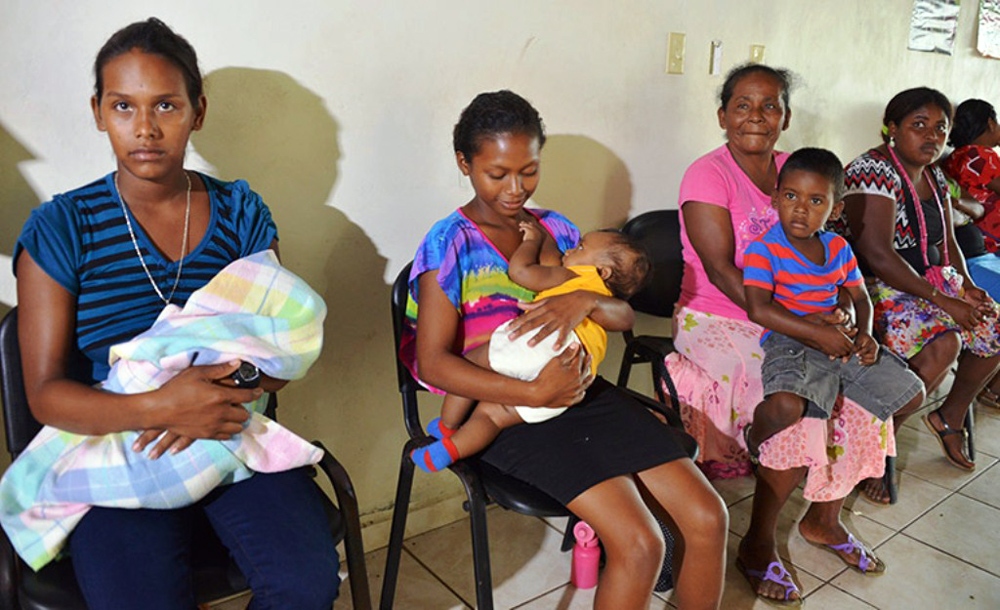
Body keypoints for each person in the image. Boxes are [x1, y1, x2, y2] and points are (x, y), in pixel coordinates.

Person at [11, 18, 339, 609]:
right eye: (123, 106)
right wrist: (161, 404)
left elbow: (278, 342)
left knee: (306, 584)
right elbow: (45, 396)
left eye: (166, 104)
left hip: (229, 429)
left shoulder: (240, 213)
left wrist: (213, 395)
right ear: (98, 111)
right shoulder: (62, 228)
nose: (145, 127)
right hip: (116, 437)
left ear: (198, 111)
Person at [400, 90, 727, 610]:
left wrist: (585, 298)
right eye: (497, 174)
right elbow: (434, 363)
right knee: (640, 544)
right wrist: (533, 391)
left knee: (709, 517)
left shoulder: (557, 230)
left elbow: (622, 316)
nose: (515, 189)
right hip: (504, 407)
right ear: (464, 164)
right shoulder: (449, 245)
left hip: (582, 391)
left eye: (528, 171)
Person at [663, 64, 900, 605]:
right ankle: (758, 542)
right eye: (742, 105)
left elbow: (828, 261)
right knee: (796, 401)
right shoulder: (708, 175)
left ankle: (823, 519)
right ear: (722, 115)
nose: (756, 116)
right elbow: (723, 272)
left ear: (786, 117)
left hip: (798, 320)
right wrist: (808, 330)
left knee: (864, 390)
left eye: (769, 105)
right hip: (718, 317)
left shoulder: (798, 173)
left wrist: (840, 316)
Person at [738, 148, 926, 598]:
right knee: (791, 409)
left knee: (908, 393)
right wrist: (816, 333)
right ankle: (754, 440)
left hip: (837, 339)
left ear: (836, 209)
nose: (800, 209)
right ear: (775, 199)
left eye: (815, 200)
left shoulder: (838, 248)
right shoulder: (764, 249)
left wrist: (865, 334)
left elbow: (859, 296)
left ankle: (823, 519)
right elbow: (758, 309)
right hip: (791, 339)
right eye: (790, 196)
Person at [841, 87, 1000, 482]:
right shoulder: (872, 169)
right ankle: (881, 445)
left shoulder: (934, 174)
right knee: (944, 341)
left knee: (992, 323)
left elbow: (947, 242)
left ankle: (950, 415)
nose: (932, 136)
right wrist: (944, 302)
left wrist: (966, 287)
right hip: (873, 288)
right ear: (891, 128)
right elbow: (877, 253)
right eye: (919, 125)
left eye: (940, 128)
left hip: (926, 282)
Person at [411, 224, 651, 473]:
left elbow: (520, 272)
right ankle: (448, 451)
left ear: (602, 271)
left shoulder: (575, 275)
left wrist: (532, 241)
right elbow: (625, 321)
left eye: (580, 247)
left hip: (536, 345)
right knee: (493, 417)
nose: (570, 250)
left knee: (470, 362)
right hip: (570, 379)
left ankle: (447, 427)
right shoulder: (608, 304)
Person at [940, 99, 1000, 408]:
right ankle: (993, 387)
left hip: (976, 246)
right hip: (982, 249)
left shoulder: (954, 158)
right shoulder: (982, 155)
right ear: (989, 123)